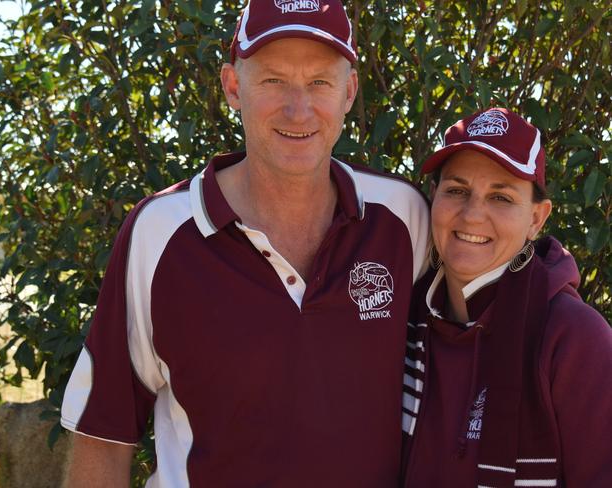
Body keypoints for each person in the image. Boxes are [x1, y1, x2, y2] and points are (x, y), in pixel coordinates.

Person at [61, 1, 430, 486]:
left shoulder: (401, 218)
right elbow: (102, 434)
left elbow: (465, 356)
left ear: (348, 91)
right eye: (274, 80)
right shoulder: (161, 233)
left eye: (320, 81)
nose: (299, 109)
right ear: (234, 86)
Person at [400, 107, 612, 488]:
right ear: (435, 198)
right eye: (457, 191)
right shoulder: (399, 319)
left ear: (536, 219)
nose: (472, 215)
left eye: (501, 197)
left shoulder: (575, 338)